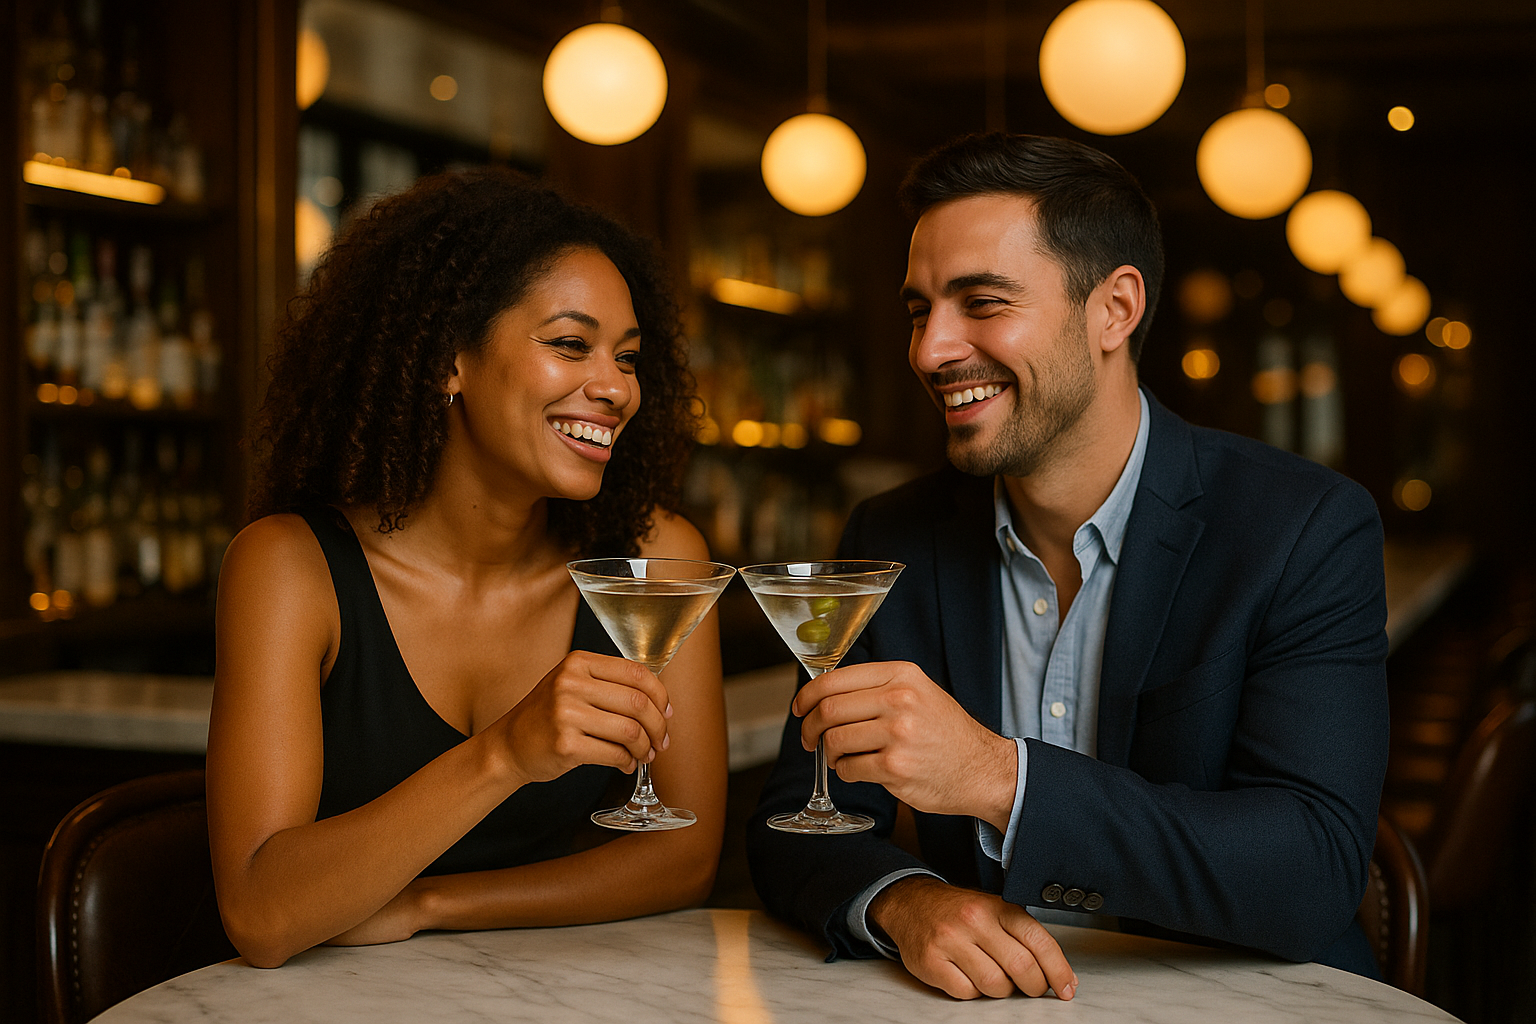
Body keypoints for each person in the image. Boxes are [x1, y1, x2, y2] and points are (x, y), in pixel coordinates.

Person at [747, 133, 1389, 1001]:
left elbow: (1312, 866)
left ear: (1114, 309)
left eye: (981, 302)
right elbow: (801, 817)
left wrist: (993, 776)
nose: (931, 350)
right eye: (918, 310)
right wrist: (904, 899)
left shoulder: (1302, 527)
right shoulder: (891, 534)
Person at [208, 169, 726, 969]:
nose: (615, 387)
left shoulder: (657, 560)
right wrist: (503, 755)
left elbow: (682, 858)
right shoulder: (291, 569)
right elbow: (260, 913)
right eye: (568, 345)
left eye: (627, 358)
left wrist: (430, 905)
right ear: (447, 360)